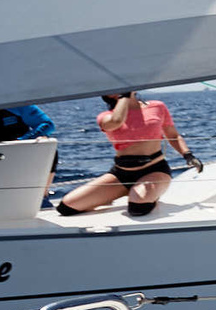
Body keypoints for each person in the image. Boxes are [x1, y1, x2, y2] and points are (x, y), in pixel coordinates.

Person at [57, 90, 196, 218]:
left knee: (138, 208)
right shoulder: (105, 117)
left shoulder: (157, 106)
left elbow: (173, 135)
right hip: (121, 174)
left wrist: (187, 154)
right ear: (110, 95)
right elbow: (117, 121)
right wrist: (124, 95)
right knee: (66, 207)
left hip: (155, 170)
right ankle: (125, 190)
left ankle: (145, 193)